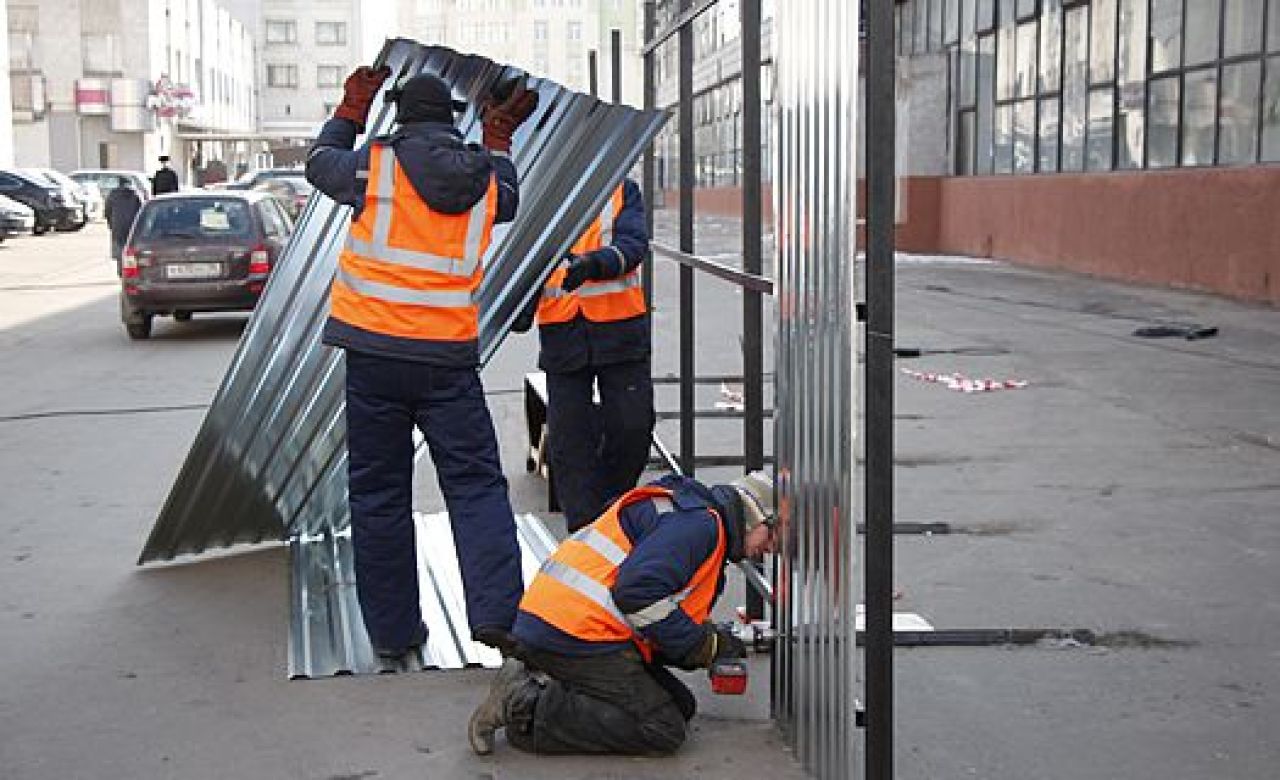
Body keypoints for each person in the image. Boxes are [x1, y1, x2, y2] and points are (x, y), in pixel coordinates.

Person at [305, 66, 539, 661]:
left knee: (379, 493)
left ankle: (393, 632)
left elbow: (319, 163)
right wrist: (499, 139)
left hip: (374, 357)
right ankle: (498, 615)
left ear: (402, 115)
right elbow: (510, 197)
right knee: (476, 487)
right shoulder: (484, 179)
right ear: (450, 121)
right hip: (447, 360)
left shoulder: (374, 167)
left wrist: (350, 109)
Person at [468, 470, 777, 756]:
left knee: (680, 705)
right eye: (772, 533)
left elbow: (658, 617)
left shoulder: (693, 516)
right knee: (662, 728)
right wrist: (702, 646)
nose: (771, 547)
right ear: (754, 516)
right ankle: (525, 708)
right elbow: (637, 594)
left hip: (565, 620)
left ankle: (548, 675)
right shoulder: (700, 527)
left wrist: (708, 643)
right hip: (575, 631)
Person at [513, 179, 653, 532]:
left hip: (620, 330)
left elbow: (634, 245)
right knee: (569, 437)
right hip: (563, 333)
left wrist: (594, 264)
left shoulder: (621, 189)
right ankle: (583, 530)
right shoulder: (544, 191)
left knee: (632, 427)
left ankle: (610, 507)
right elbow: (529, 256)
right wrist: (519, 305)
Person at [103, 177, 142, 273]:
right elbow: (140, 211)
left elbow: (107, 212)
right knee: (130, 249)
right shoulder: (134, 195)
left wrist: (111, 224)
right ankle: (130, 271)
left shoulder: (112, 195)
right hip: (132, 226)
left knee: (119, 249)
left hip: (117, 226)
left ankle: (121, 271)